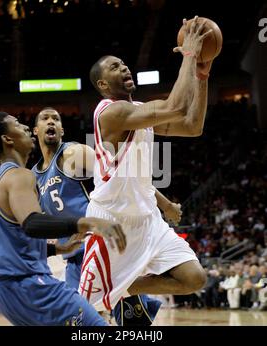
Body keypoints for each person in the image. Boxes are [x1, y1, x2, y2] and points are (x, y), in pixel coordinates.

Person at [79, 16, 214, 312]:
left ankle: (124, 287)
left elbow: (192, 126)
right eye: (115, 66)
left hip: (148, 219)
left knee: (194, 278)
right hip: (113, 222)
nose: (124, 67)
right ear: (102, 84)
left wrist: (202, 77)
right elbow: (175, 106)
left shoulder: (139, 112)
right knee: (86, 314)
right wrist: (190, 55)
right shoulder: (109, 113)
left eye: (124, 63)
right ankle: (108, 292)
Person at [32, 107, 182, 325]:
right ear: (36, 130)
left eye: (56, 118)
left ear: (62, 130)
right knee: (78, 323)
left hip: (104, 249)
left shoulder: (72, 154)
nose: (51, 122)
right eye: (45, 118)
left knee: (133, 325)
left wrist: (165, 205)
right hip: (75, 260)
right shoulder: (35, 176)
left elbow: (123, 175)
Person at [0, 111, 126, 326]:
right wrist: (85, 222)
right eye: (18, 125)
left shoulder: (1, 179)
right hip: (27, 283)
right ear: (7, 139)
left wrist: (58, 250)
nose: (26, 128)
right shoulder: (20, 176)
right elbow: (32, 224)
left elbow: (14, 239)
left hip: (7, 288)